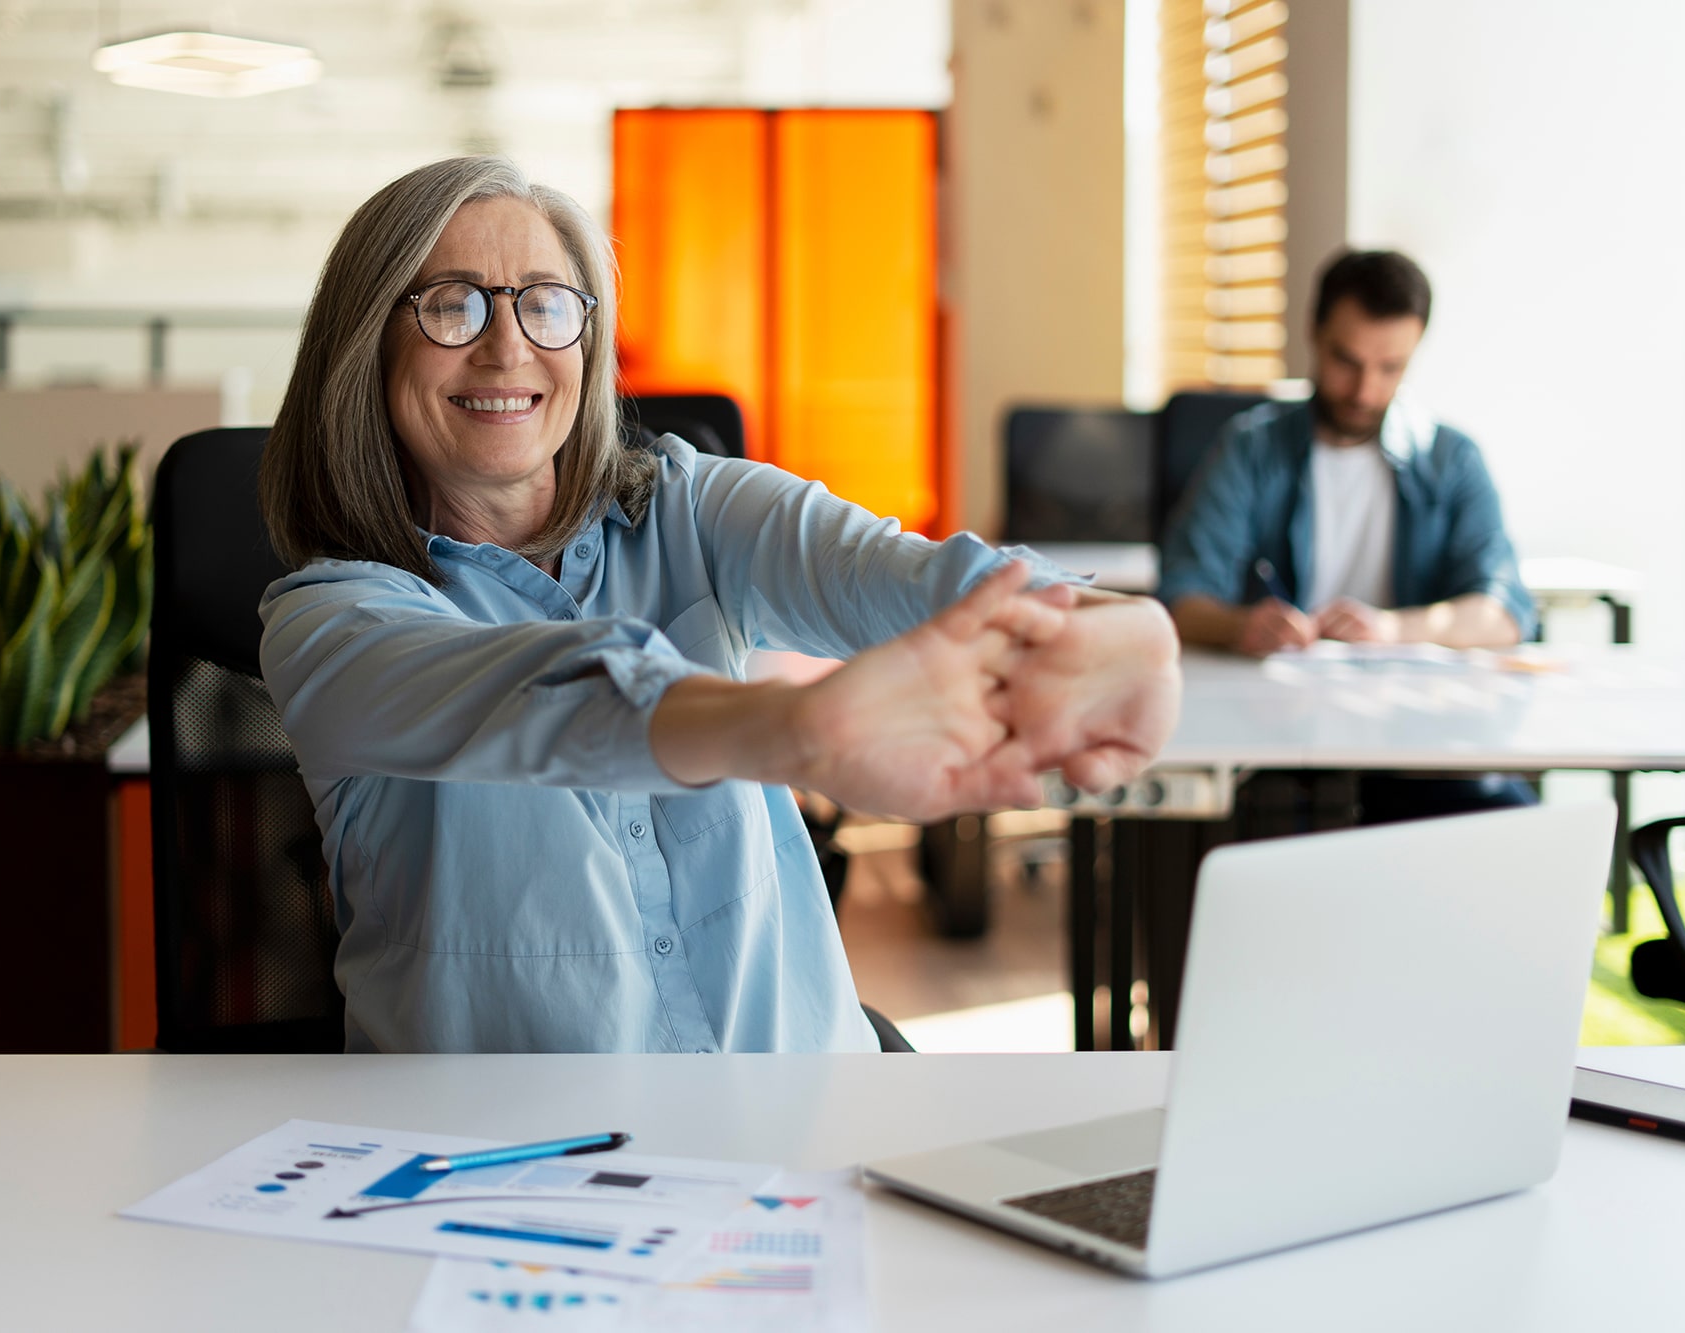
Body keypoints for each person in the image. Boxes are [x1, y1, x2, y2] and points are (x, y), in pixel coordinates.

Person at [257, 156, 1181, 1054]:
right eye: (452, 305)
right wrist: (798, 727)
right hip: (520, 1177)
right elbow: (547, 696)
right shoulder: (329, 624)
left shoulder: (689, 507)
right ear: (368, 347)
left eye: (546, 303)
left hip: (808, 1125)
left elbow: (889, 572)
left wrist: (1096, 629)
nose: (509, 347)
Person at [1156, 248, 1536, 823]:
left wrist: (1389, 630)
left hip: (1416, 734)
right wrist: (1242, 626)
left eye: (1390, 368)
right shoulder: (1250, 450)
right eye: (1346, 361)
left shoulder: (1451, 460)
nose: (1364, 390)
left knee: (1511, 820)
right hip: (1277, 738)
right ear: (1313, 332)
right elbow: (1181, 596)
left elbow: (1504, 614)